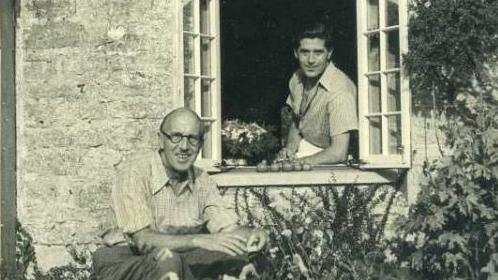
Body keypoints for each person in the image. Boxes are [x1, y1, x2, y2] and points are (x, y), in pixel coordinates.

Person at [93, 108, 268, 280]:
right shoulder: (135, 173)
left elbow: (228, 228)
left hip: (179, 260)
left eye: (192, 139)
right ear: (161, 140)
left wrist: (253, 234)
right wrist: (199, 241)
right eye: (176, 137)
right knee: (168, 260)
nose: (184, 147)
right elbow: (143, 241)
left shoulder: (201, 180)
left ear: (200, 144)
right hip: (124, 263)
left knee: (240, 262)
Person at [279, 23, 358, 165]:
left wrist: (298, 162)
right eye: (305, 52)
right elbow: (298, 122)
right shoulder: (296, 79)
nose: (310, 60)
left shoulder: (340, 91)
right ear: (296, 53)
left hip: (333, 160)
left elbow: (339, 152)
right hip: (306, 151)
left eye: (318, 52)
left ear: (329, 53)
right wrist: (290, 148)